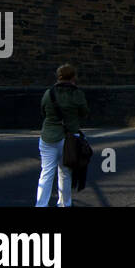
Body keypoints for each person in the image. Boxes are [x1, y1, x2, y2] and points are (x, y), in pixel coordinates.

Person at [36, 63, 90, 207]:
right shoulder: (77, 94)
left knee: (46, 172)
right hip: (69, 138)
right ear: (73, 77)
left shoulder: (49, 93)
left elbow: (43, 112)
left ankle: (41, 204)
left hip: (48, 136)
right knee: (65, 173)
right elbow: (84, 112)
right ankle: (65, 204)